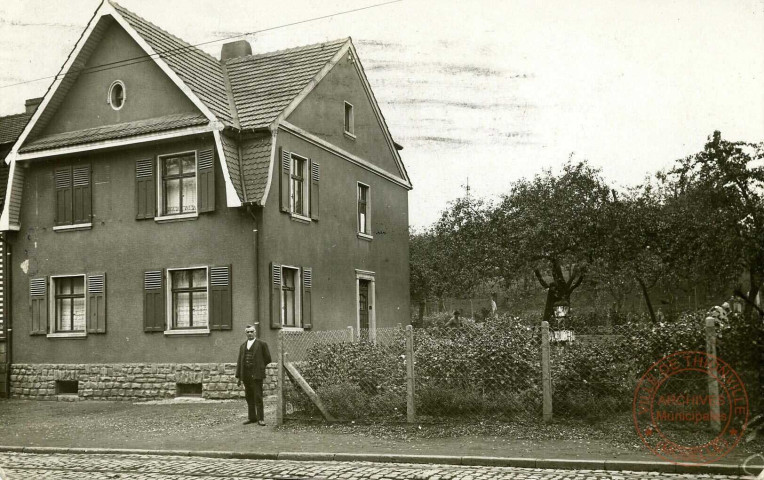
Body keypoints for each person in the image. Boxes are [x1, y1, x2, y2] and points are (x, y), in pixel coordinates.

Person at [236, 324, 272, 426]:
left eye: (252, 331)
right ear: (245, 333)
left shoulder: (262, 344)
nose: (250, 333)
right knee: (249, 397)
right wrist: (239, 376)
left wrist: (259, 367)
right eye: (248, 332)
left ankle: (261, 419)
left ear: (255, 332)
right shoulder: (243, 346)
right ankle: (252, 418)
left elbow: (268, 358)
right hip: (246, 375)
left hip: (256, 375)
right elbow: (240, 361)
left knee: (258, 397)